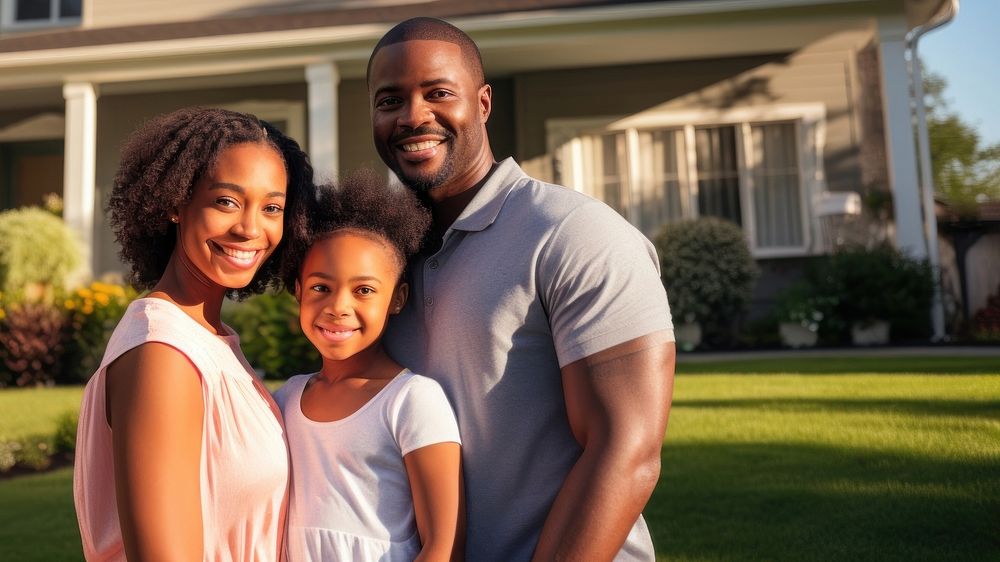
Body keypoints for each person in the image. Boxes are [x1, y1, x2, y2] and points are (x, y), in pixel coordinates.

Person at [369, 17, 677, 561]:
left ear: (483, 103)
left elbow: (626, 450)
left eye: (438, 93)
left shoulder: (574, 232)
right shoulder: (384, 259)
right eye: (390, 100)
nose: (414, 116)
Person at [73, 107, 314, 561]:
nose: (250, 228)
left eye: (272, 207)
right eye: (226, 201)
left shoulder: (210, 338)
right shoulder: (162, 352)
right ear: (174, 202)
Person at [273, 170, 463, 562]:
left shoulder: (412, 401)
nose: (339, 306)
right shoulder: (285, 399)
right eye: (321, 287)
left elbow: (444, 546)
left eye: (364, 291)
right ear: (298, 292)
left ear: (397, 299)